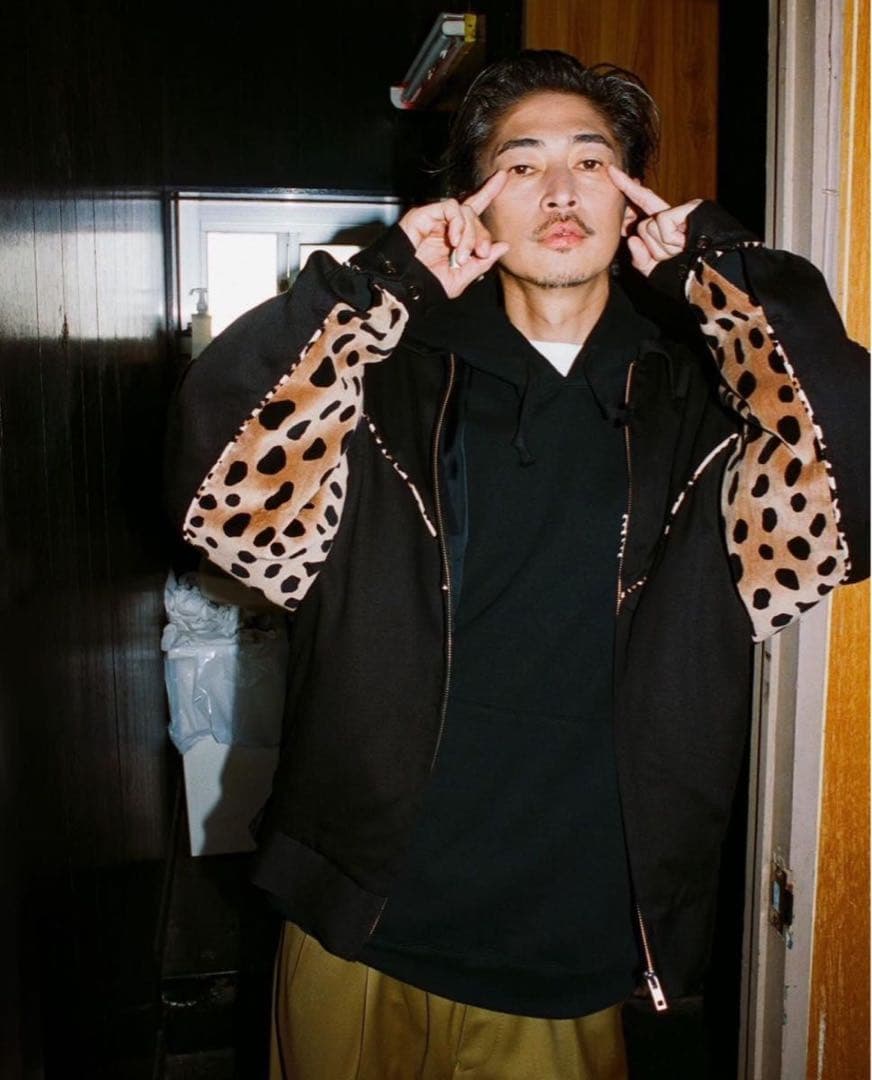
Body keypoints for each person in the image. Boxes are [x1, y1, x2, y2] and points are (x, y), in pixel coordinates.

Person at [165, 50, 869, 1080]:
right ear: (474, 202)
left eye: (591, 161)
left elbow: (845, 490)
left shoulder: (704, 416)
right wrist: (383, 287)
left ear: (631, 197)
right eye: (522, 163)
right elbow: (215, 495)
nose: (559, 190)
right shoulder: (378, 392)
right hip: (354, 917)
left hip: (563, 941)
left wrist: (720, 276)